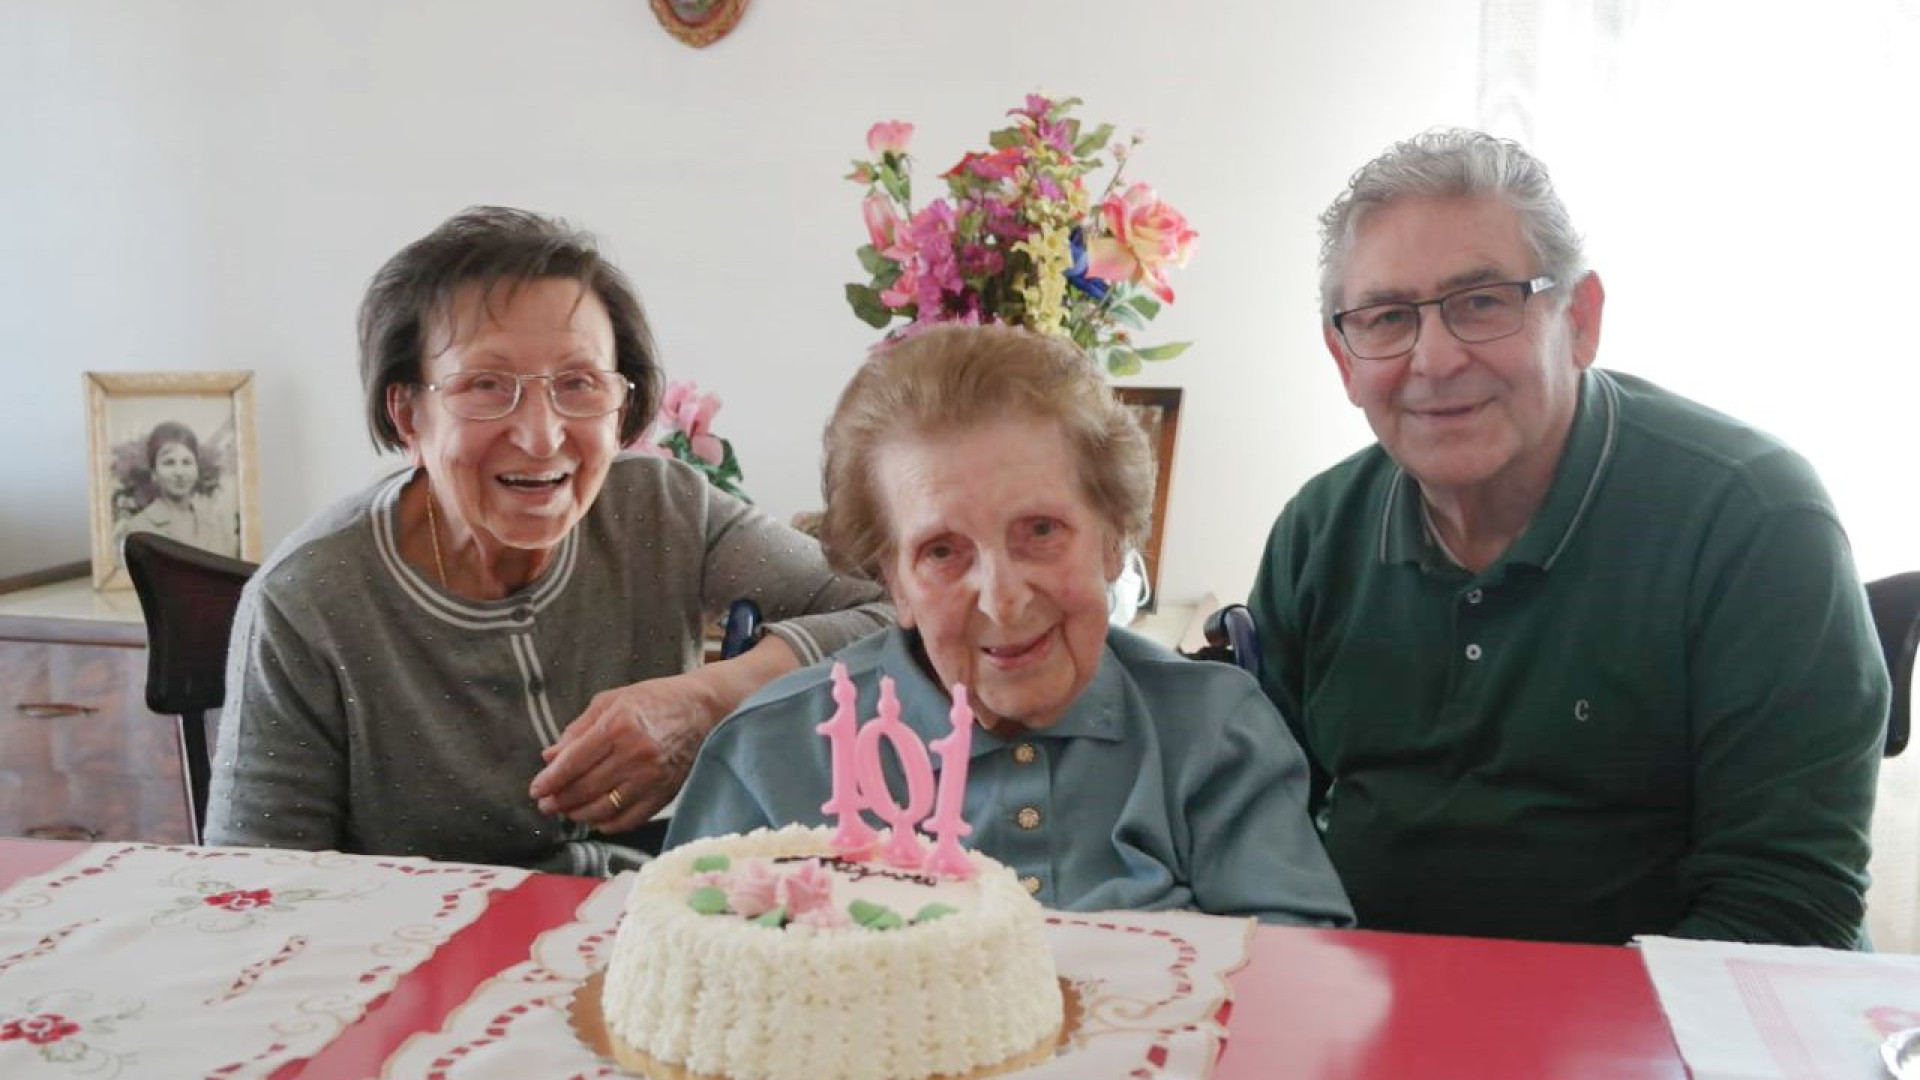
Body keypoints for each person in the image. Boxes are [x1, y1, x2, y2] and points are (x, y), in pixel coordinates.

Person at [1249, 129, 1886, 946]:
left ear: (1579, 320)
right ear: (1344, 360)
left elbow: (1789, 906)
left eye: (1482, 302)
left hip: (1657, 1038)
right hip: (1372, 1015)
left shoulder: (1755, 518)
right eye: (1387, 318)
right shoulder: (1317, 532)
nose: (1434, 358)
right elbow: (1252, 833)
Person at [204, 207, 889, 874]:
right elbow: (256, 889)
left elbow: (899, 611)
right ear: (408, 414)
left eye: (578, 383)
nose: (541, 435)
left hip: (644, 936)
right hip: (421, 963)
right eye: (486, 385)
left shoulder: (661, 508)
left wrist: (711, 696)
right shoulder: (308, 600)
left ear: (625, 404)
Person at [667, 324, 1353, 925]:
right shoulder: (768, 755)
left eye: (1041, 531)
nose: (1002, 600)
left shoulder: (1212, 733)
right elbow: (689, 987)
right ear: (895, 582)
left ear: (1113, 542)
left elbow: (1298, 989)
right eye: (942, 551)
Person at [115, 421, 238, 558]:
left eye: (187, 462)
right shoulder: (136, 530)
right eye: (169, 463)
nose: (179, 473)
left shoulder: (217, 524)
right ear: (154, 473)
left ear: (197, 468)